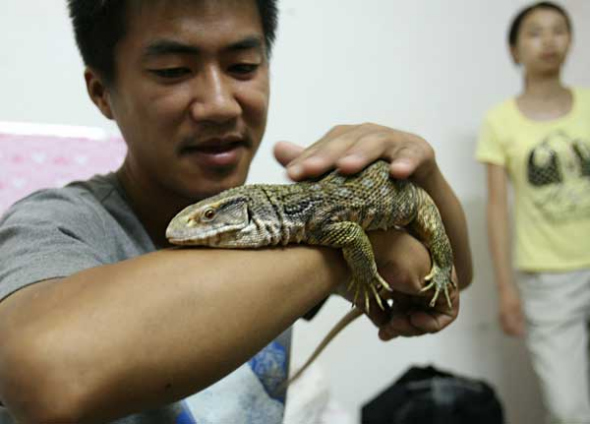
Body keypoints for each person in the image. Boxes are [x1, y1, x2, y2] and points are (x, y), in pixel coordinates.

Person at [0, 1, 472, 423]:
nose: (221, 105)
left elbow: (448, 285)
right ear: (102, 91)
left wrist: (422, 176)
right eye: (172, 70)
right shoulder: (56, 224)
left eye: (243, 66)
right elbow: (47, 381)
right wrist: (354, 244)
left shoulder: (281, 213)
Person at [476, 2, 590, 423]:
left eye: (559, 30)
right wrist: (505, 288)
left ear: (571, 41)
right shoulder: (499, 121)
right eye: (535, 32)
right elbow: (496, 207)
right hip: (547, 277)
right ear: (514, 50)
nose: (549, 40)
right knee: (570, 409)